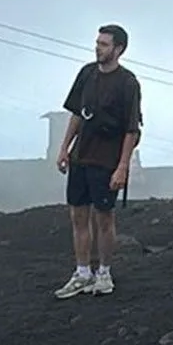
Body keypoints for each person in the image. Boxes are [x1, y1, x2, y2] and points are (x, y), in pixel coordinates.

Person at [54, 24, 144, 298]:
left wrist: (123, 166)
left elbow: (132, 129)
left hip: (107, 159)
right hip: (81, 155)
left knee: (104, 217)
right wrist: (64, 148)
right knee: (78, 214)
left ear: (118, 49)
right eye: (97, 42)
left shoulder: (128, 83)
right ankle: (82, 272)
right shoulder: (87, 74)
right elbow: (77, 114)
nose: (98, 48)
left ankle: (104, 272)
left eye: (104, 44)